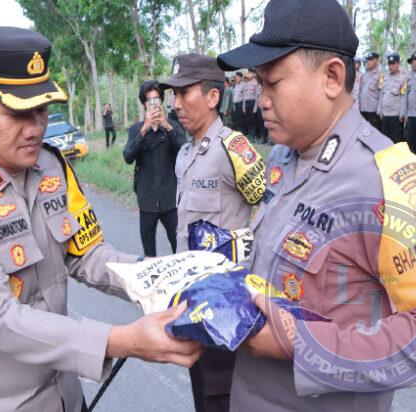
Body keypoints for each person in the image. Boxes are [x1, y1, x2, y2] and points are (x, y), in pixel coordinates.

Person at [217, 0, 416, 410]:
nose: (262, 100)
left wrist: (303, 345)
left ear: (332, 77)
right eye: (259, 84)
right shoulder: (281, 159)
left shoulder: (385, 178)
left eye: (273, 83)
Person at [0, 27, 201, 411]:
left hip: (66, 396)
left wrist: (170, 276)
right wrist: (123, 340)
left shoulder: (53, 167)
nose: (36, 127)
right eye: (18, 113)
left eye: (41, 109)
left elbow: (87, 255)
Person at [160, 52, 266, 412]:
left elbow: (269, 210)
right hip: (191, 299)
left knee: (223, 395)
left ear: (212, 97)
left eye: (183, 93)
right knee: (201, 391)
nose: (175, 104)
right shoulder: (185, 153)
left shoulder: (233, 149)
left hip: (226, 306)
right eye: (172, 95)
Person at [123, 80, 186, 257]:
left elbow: (186, 152)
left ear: (161, 101)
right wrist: (143, 130)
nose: (154, 104)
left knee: (179, 247)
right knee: (149, 253)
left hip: (170, 199)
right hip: (147, 200)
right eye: (149, 100)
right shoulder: (136, 130)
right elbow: (128, 157)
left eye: (157, 99)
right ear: (144, 103)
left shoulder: (173, 126)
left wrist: (167, 126)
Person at [378, 53, 406, 142]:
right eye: (389, 63)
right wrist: (379, 110)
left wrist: (402, 114)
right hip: (385, 115)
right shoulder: (384, 77)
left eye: (393, 63)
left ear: (398, 63)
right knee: (385, 141)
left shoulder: (403, 78)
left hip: (396, 116)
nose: (391, 66)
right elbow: (381, 94)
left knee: (396, 141)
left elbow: (404, 97)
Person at [359, 51, 381, 129]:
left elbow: (382, 94)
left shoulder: (381, 76)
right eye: (368, 60)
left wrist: (380, 109)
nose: (368, 62)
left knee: (374, 135)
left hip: (373, 111)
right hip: (362, 110)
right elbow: (360, 92)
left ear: (377, 61)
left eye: (371, 59)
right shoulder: (364, 75)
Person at [241, 69, 259, 138]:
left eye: (250, 73)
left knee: (253, 120)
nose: (248, 74)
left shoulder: (256, 83)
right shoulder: (246, 83)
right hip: (247, 103)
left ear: (253, 74)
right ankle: (250, 134)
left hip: (252, 102)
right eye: (248, 73)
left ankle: (253, 135)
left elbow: (256, 96)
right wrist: (243, 106)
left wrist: (255, 107)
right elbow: (245, 96)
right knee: (248, 120)